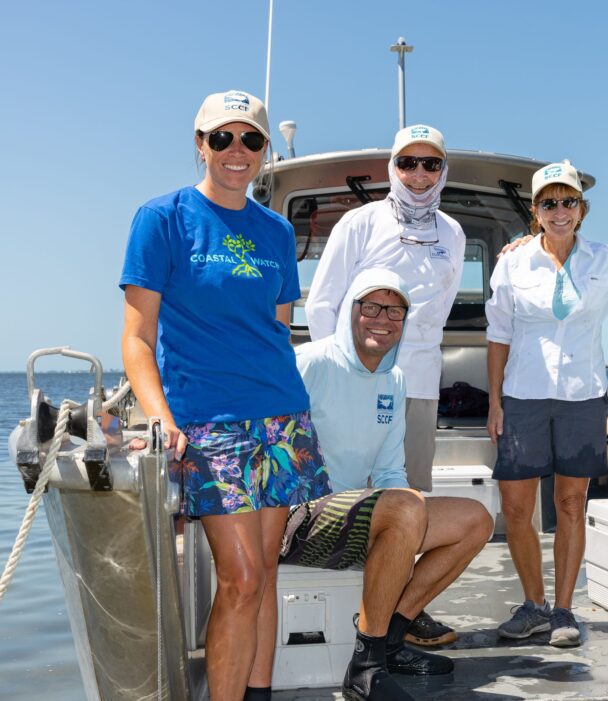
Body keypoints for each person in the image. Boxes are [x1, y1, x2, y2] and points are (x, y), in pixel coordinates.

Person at [119, 90, 331, 701]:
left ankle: (257, 693)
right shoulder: (161, 219)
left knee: (264, 574)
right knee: (239, 579)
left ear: (264, 151)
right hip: (209, 422)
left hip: (281, 417)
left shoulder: (276, 231)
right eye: (222, 137)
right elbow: (136, 338)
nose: (237, 150)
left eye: (251, 139)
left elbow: (276, 328)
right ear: (200, 143)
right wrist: (162, 419)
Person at [276, 268, 493, 701]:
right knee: (404, 508)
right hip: (295, 517)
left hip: (352, 515)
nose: (383, 319)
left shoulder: (394, 381)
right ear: (351, 311)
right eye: (371, 307)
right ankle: (366, 668)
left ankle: (390, 640)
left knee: (476, 518)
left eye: (395, 311)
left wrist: (408, 509)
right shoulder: (310, 361)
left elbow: (391, 470)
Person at [303, 123, 465, 646]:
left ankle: (399, 611)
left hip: (417, 383)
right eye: (408, 163)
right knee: (345, 494)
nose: (419, 174)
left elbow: (439, 312)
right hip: (349, 383)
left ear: (443, 171)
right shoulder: (359, 222)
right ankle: (352, 605)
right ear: (392, 169)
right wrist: (341, 375)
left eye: (431, 164)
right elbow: (323, 302)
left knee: (409, 496)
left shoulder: (454, 233)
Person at [486, 160, 608, 647]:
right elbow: (498, 334)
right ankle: (533, 604)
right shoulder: (512, 262)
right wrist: (494, 402)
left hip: (582, 397)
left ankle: (563, 610)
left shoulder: (605, 260)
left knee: (571, 503)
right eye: (549, 203)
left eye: (569, 201)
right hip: (523, 396)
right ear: (536, 211)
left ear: (582, 209)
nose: (560, 211)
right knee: (517, 508)